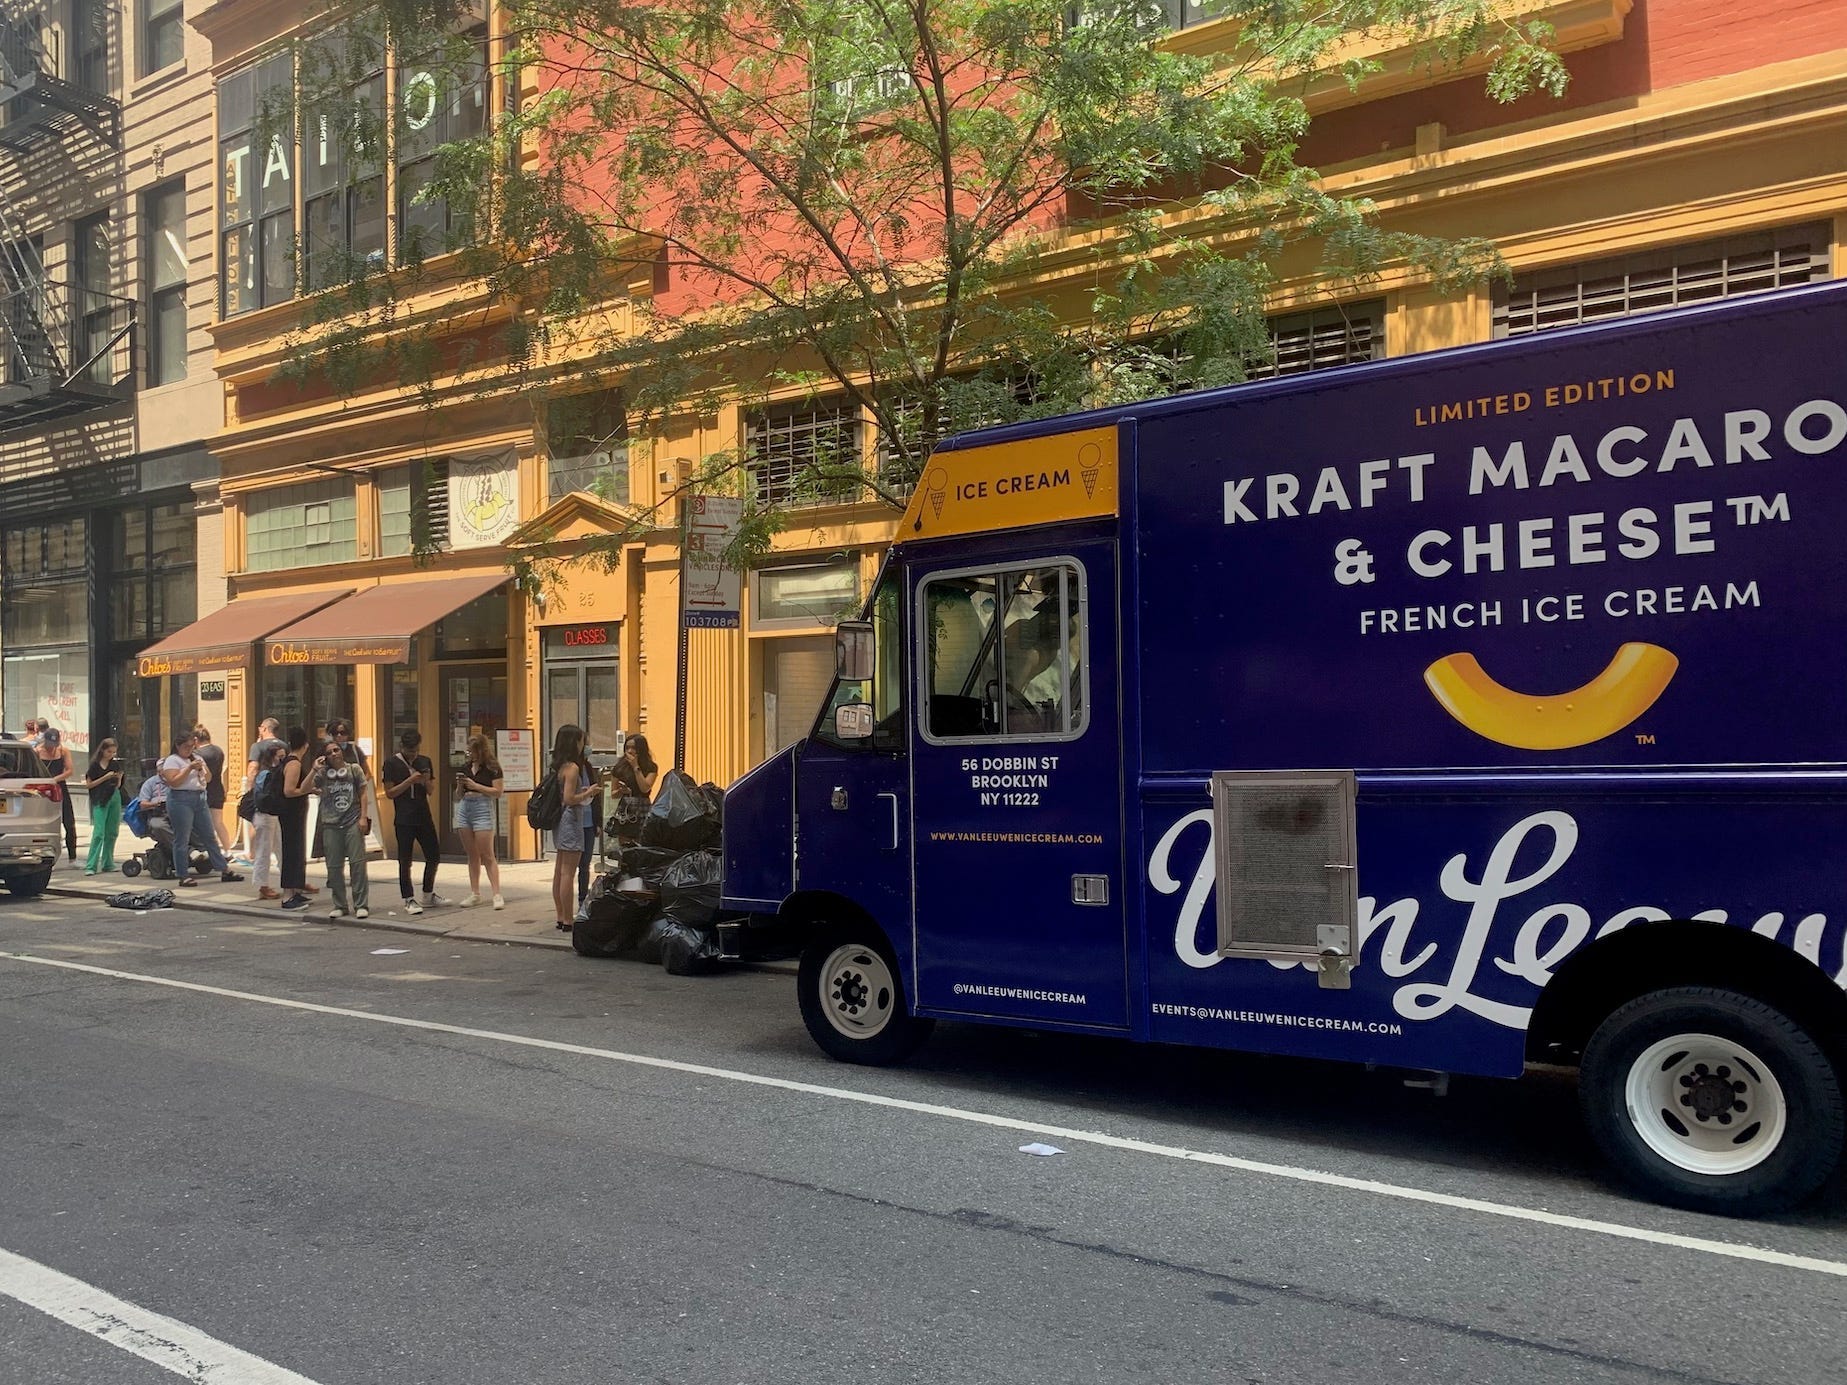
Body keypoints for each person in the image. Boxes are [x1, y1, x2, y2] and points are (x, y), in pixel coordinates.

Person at [158, 730, 242, 887]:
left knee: (209, 835)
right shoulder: (172, 761)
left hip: (199, 797)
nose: (189, 750)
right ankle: (183, 874)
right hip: (180, 799)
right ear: (178, 746)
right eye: (186, 747)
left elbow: (208, 778)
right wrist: (189, 768)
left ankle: (223, 869)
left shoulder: (197, 757)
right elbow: (173, 782)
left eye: (192, 746)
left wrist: (202, 768)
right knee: (182, 837)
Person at [382, 729, 443, 915]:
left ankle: (428, 893)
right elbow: (390, 793)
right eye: (410, 752)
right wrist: (409, 781)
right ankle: (408, 898)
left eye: (415, 751)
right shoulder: (391, 763)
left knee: (433, 855)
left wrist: (425, 781)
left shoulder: (424, 761)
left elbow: (431, 790)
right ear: (402, 747)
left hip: (423, 815)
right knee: (405, 860)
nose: (413, 755)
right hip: (404, 818)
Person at [547, 724, 601, 933]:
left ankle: (561, 915)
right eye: (581, 741)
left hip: (561, 820)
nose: (584, 745)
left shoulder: (559, 766)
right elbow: (570, 799)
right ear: (574, 743)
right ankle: (568, 919)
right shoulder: (573, 768)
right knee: (568, 872)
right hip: (571, 820)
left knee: (560, 870)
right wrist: (588, 794)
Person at [313, 739, 370, 919]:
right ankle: (340, 904)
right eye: (329, 752)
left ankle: (361, 904)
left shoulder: (354, 769)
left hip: (352, 820)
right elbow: (306, 788)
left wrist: (362, 817)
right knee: (334, 866)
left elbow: (362, 793)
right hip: (330, 823)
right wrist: (315, 769)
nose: (334, 754)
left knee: (357, 864)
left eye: (336, 750)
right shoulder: (322, 774)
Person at [455, 733, 504, 909]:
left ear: (481, 750)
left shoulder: (493, 768)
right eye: (469, 751)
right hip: (465, 806)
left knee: (487, 854)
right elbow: (458, 795)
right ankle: (475, 892)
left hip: (482, 807)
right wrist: (461, 785)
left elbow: (498, 792)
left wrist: (476, 786)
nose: (470, 754)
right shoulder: (466, 767)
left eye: (473, 751)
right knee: (472, 853)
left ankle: (496, 893)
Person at [277, 728, 314, 911]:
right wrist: (306, 791)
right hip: (291, 814)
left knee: (297, 851)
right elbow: (289, 791)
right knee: (292, 852)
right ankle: (287, 896)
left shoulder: (290, 761)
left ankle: (295, 891)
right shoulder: (294, 764)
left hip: (293, 813)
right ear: (305, 745)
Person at [246, 739, 286, 900]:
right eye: (280, 756)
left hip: (272, 815)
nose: (283, 760)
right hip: (266, 814)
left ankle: (289, 880)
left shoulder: (273, 772)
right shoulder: (268, 774)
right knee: (264, 850)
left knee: (281, 848)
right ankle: (262, 885)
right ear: (272, 757)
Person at [239, 716, 281, 863]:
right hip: (279, 791)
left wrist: (249, 788)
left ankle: (252, 853)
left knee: (256, 820)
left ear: (264, 729)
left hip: (262, 790)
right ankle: (277, 855)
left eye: (260, 728)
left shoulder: (258, 747)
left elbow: (253, 767)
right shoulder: (283, 745)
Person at [81, 736, 125, 875]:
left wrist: (119, 778)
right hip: (100, 798)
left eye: (113, 752)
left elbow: (118, 785)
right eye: (109, 752)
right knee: (99, 833)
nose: (111, 755)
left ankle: (108, 862)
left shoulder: (115, 765)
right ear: (103, 751)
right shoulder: (94, 766)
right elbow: (89, 785)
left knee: (112, 832)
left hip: (114, 796)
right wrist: (105, 777)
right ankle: (91, 865)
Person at [34, 728, 76, 863]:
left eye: (54, 745)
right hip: (43, 789)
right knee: (42, 822)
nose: (52, 748)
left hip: (59, 786)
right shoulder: (37, 751)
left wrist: (55, 780)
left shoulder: (63, 751)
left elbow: (69, 770)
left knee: (69, 822)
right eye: (49, 745)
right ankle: (42, 854)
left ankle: (72, 856)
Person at [194, 725, 233, 854]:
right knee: (218, 822)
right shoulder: (218, 751)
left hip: (204, 790)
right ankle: (227, 849)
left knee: (204, 824)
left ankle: (209, 850)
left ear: (196, 740)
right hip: (218, 788)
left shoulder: (197, 755)